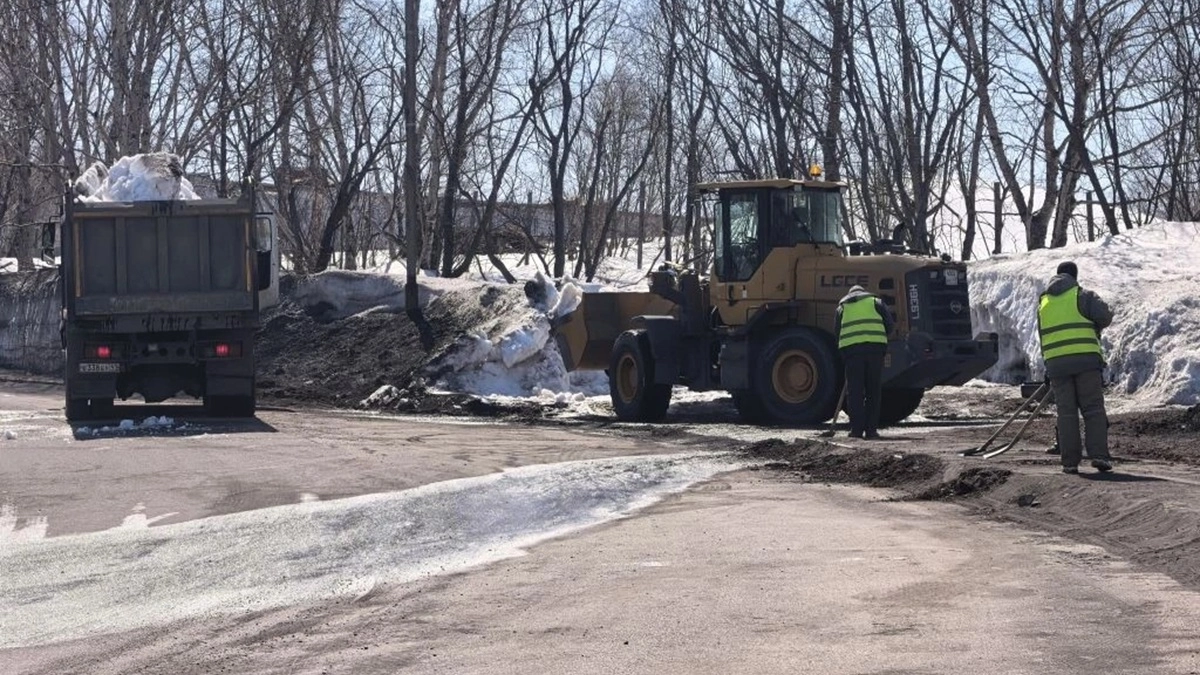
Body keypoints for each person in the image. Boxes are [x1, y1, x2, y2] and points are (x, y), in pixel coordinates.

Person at [1037, 261, 1115, 474]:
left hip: (1056, 365)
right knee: (1093, 408)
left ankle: (1069, 462)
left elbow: (1043, 336)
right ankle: (1099, 456)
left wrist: (1048, 366)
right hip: (1085, 361)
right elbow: (1105, 316)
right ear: (1075, 276)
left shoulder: (1043, 302)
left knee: (1066, 413)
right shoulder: (1083, 295)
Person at [835, 285, 894, 439]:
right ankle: (871, 431)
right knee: (873, 392)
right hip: (875, 351)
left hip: (853, 354)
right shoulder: (876, 302)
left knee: (855, 393)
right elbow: (889, 326)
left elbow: (837, 333)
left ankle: (856, 431)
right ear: (863, 293)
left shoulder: (842, 308)